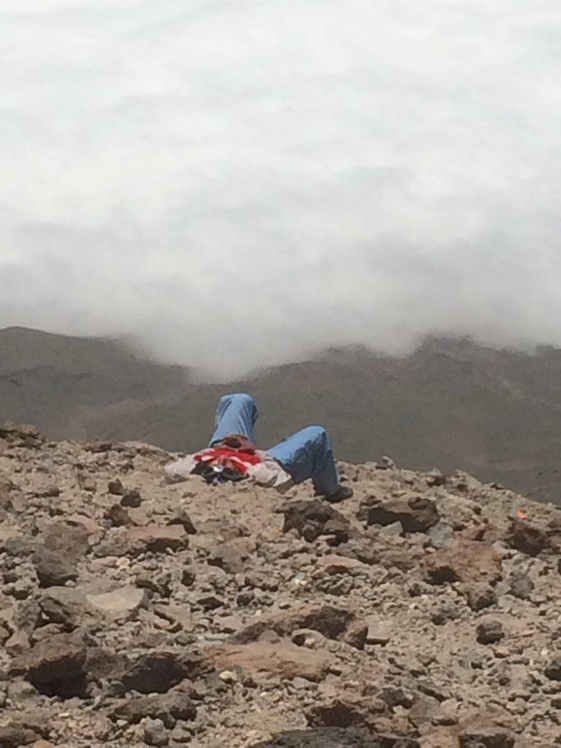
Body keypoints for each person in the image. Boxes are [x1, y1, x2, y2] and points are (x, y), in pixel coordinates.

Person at [165, 393, 353, 503]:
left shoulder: (195, 466)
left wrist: (220, 449)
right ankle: (330, 490)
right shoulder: (255, 473)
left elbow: (171, 471)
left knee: (239, 399)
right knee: (317, 434)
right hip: (264, 459)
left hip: (223, 446)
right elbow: (282, 480)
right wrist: (256, 454)